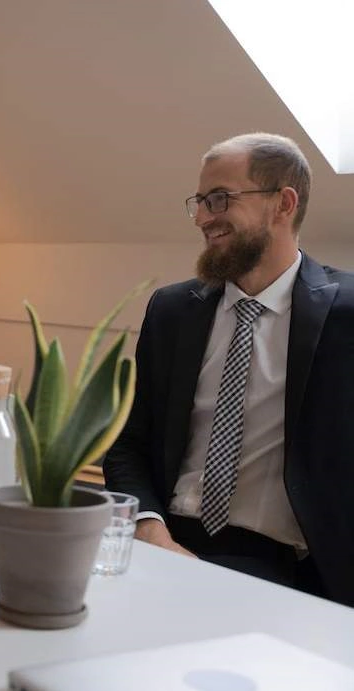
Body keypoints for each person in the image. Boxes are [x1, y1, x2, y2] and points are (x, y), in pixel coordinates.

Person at [104, 132, 354, 606]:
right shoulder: (173, 309)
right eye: (198, 202)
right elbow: (128, 444)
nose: (202, 218)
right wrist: (151, 534)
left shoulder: (347, 314)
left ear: (283, 203)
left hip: (291, 572)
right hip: (165, 544)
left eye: (218, 200)